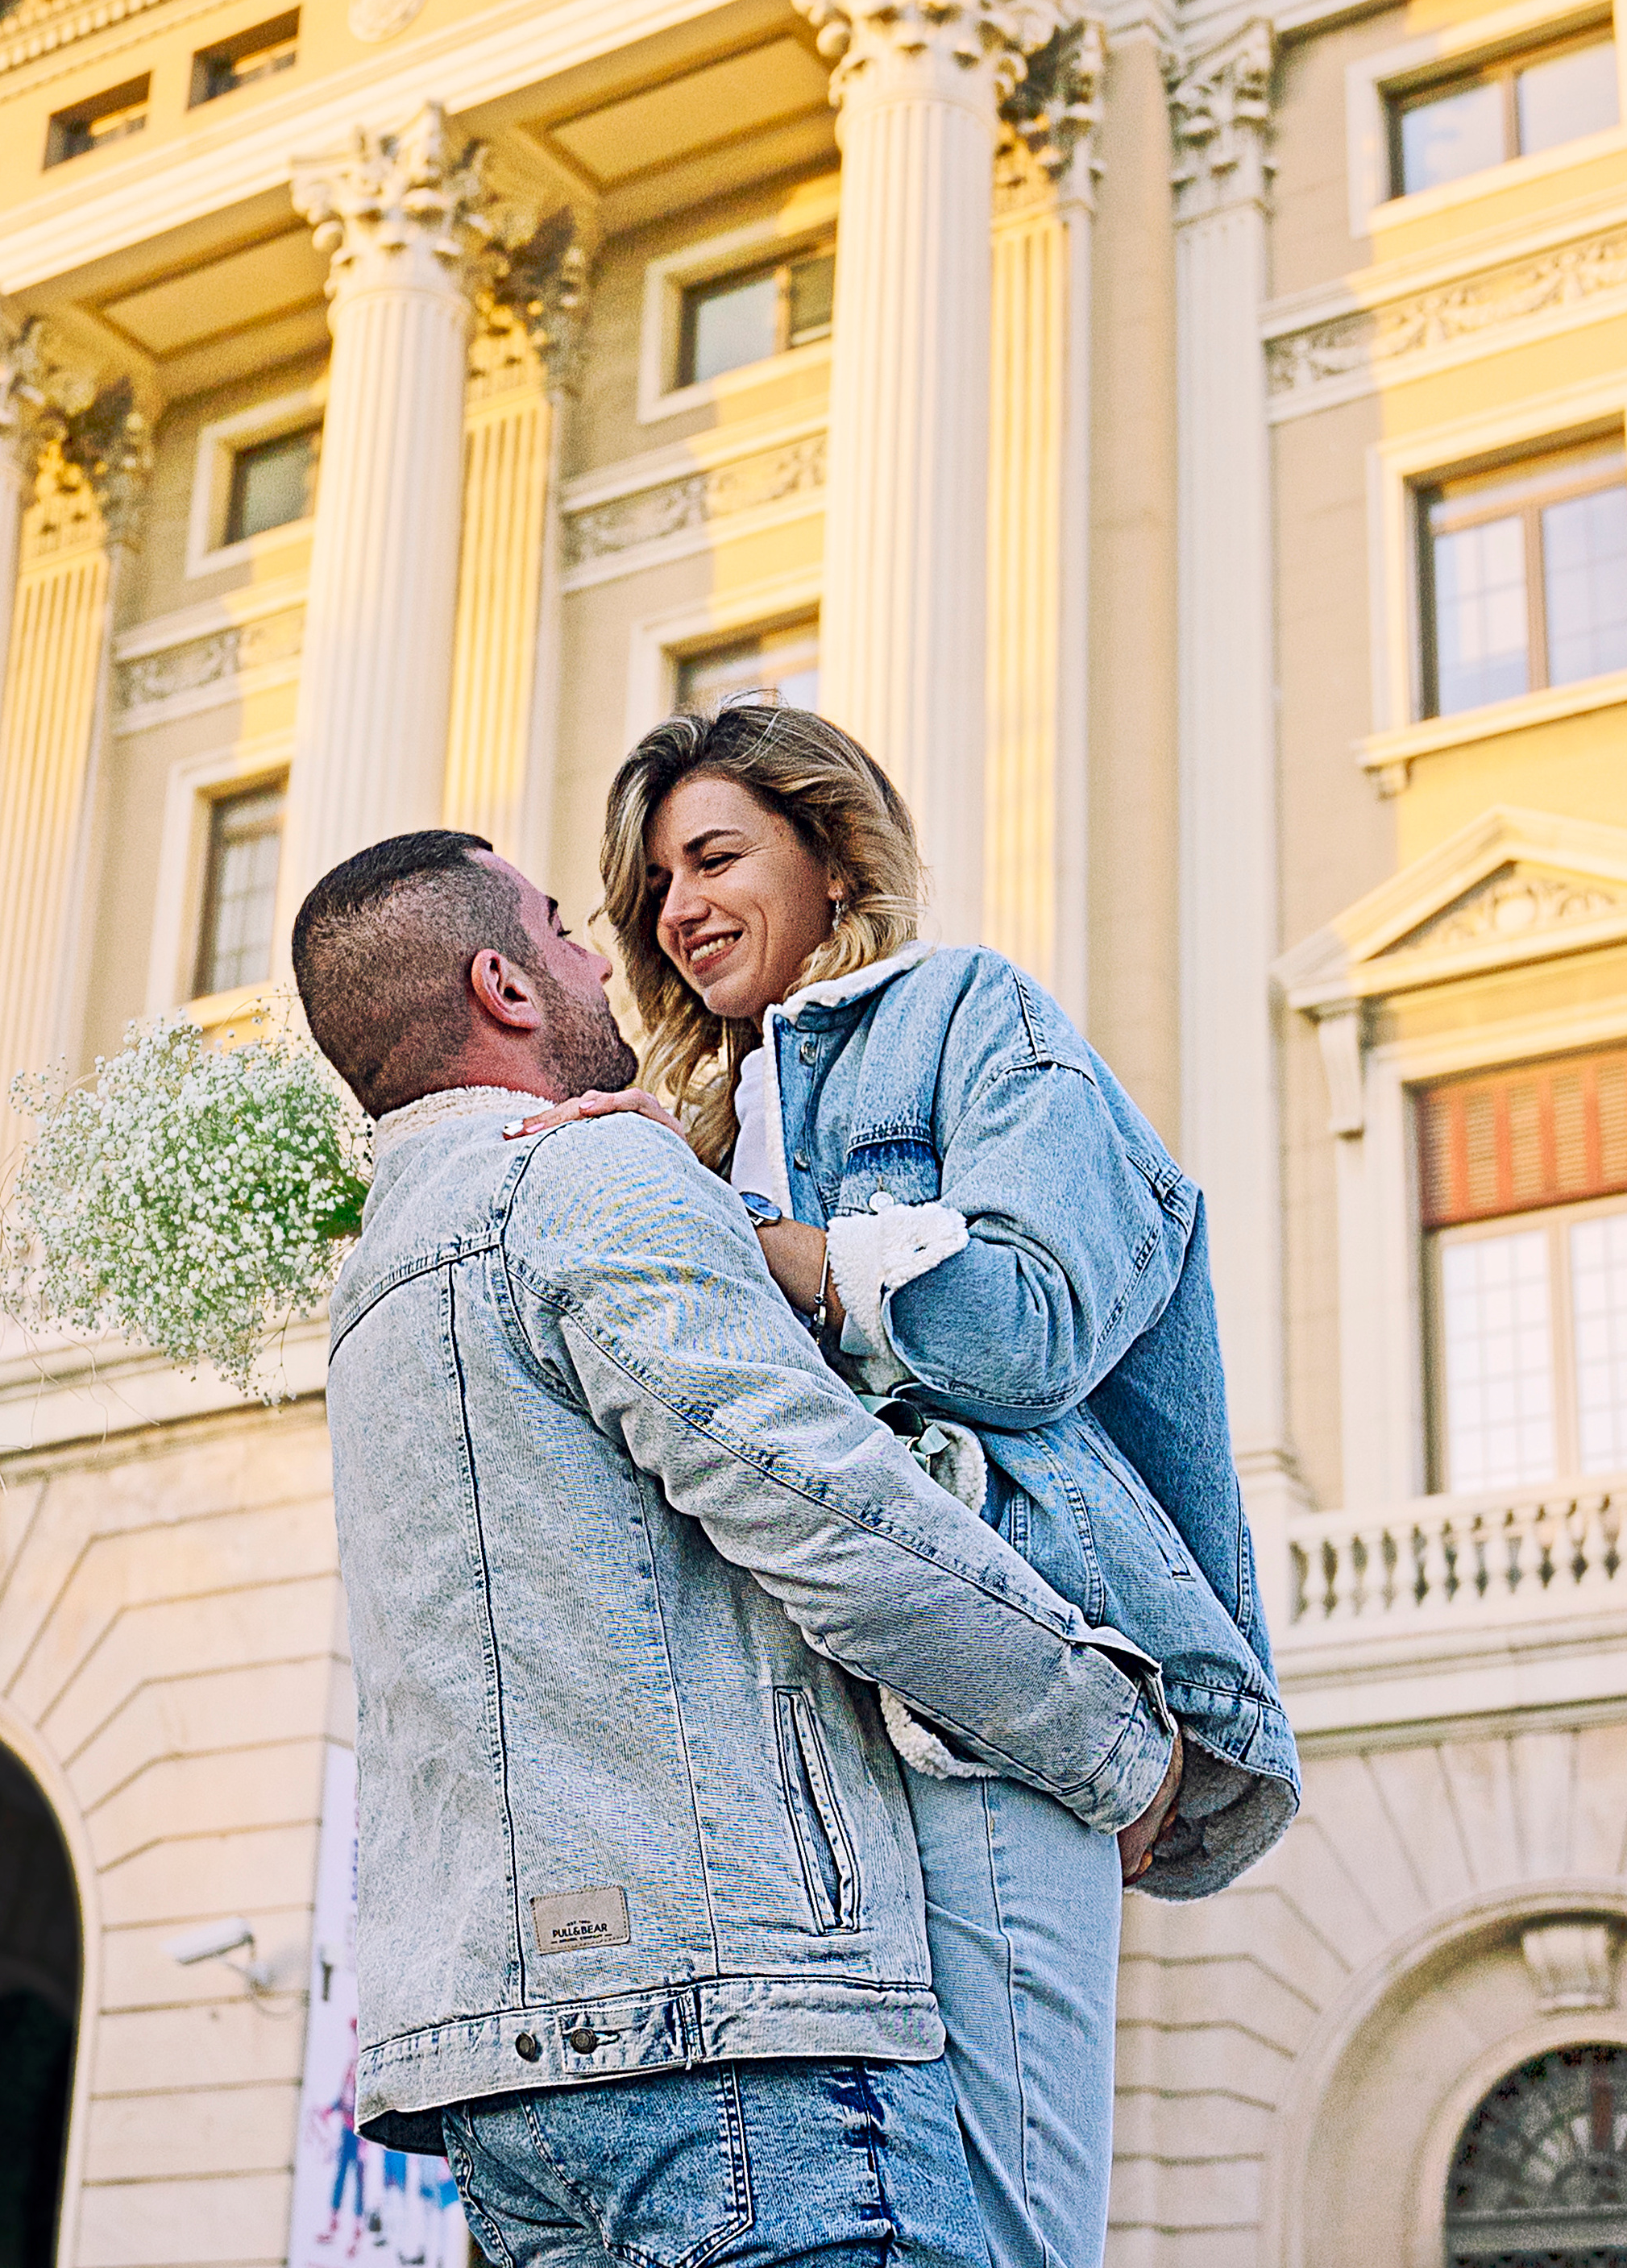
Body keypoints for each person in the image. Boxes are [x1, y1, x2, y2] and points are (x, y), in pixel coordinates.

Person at [293, 830, 1184, 2268]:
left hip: (494, 2084)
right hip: (729, 2031)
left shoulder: (374, 1285)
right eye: (568, 932)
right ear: (504, 986)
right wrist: (1107, 1735)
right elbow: (828, 1513)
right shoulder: (584, 1183)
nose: (606, 954)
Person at [513, 704, 1301, 2268]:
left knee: (1001, 2224)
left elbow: (1034, 1320)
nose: (677, 908)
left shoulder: (961, 1012)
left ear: (831, 854)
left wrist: (767, 1259)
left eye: (716, 855)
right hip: (776, 1728)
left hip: (986, 1693)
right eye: (654, 883)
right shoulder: (693, 1131)